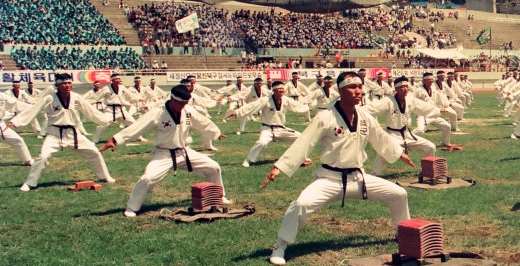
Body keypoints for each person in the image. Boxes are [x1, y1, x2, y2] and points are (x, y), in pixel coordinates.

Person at [261, 71, 415, 266]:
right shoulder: (325, 117)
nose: (358, 91)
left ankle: (403, 235)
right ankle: (280, 246)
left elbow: (381, 138)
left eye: (360, 87)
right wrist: (279, 167)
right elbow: (304, 142)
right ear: (340, 90)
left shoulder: (365, 116)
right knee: (300, 205)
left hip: (358, 178)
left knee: (399, 194)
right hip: (329, 179)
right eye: (352, 87)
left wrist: (398, 153)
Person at [99, 84, 229, 217]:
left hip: (184, 152)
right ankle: (132, 207)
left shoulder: (187, 110)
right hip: (163, 154)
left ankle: (219, 196)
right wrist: (115, 139)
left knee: (214, 167)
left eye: (185, 103)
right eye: (180, 103)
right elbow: (138, 127)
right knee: (148, 178)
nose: (182, 106)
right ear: (173, 100)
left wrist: (216, 132)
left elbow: (202, 122)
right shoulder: (158, 113)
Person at [9, 72, 116, 191]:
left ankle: (105, 177)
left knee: (94, 152)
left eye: (69, 83)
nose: (68, 85)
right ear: (58, 85)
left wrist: (106, 119)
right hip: (54, 134)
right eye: (64, 83)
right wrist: (17, 121)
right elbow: (34, 110)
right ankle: (29, 183)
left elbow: (90, 111)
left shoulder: (76, 97)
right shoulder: (50, 98)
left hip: (73, 133)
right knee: (43, 157)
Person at [364, 76, 440, 174]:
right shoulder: (388, 101)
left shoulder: (410, 100)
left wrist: (438, 110)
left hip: (406, 134)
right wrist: (356, 110)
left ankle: (427, 171)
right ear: (396, 89)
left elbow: (423, 107)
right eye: (402, 87)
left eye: (406, 86)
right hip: (392, 134)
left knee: (431, 147)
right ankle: (373, 176)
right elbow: (373, 108)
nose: (405, 89)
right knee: (383, 153)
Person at [227, 81, 308, 167]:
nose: (281, 91)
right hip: (267, 128)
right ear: (274, 90)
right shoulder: (265, 100)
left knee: (301, 137)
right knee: (262, 142)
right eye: (279, 89)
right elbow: (252, 106)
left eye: (282, 89)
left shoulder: (286, 100)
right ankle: (249, 160)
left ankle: (299, 158)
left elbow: (297, 105)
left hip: (281, 129)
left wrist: (306, 107)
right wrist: (237, 112)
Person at [0, 86, 33, 165]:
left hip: (1, 125)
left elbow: (15, 104)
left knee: (18, 140)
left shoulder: (1, 96)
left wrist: (32, 108)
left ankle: (27, 160)